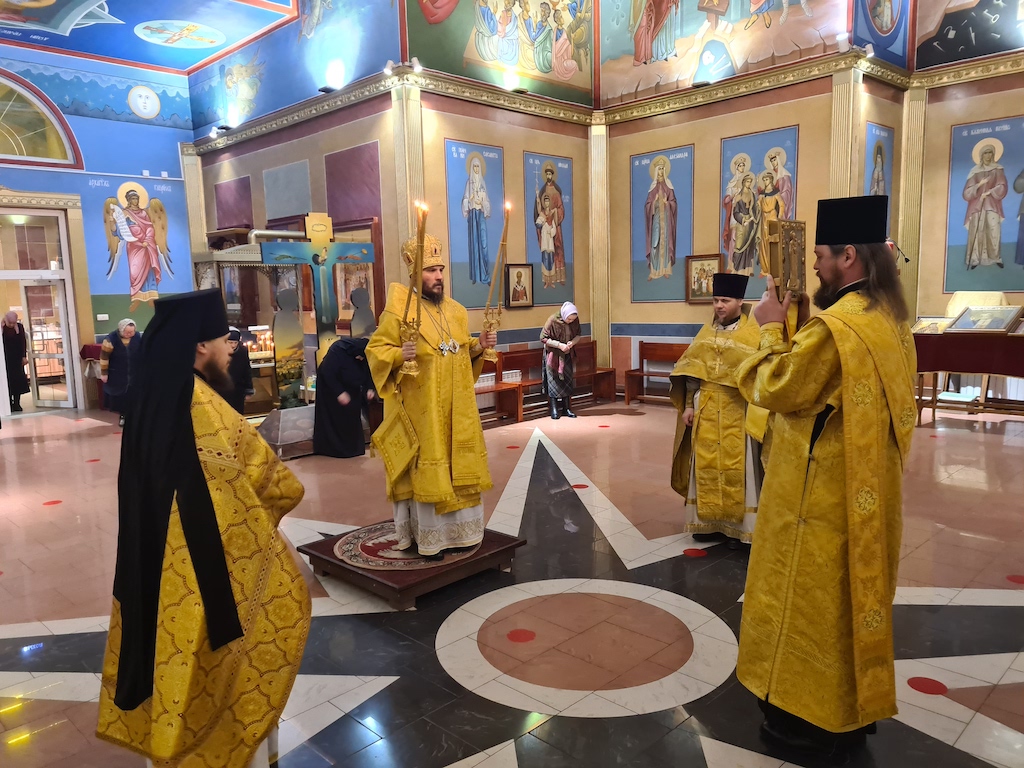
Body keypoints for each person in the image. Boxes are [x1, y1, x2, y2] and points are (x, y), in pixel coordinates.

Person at [734, 196, 916, 763]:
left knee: (806, 606)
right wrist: (802, 321)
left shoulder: (838, 329)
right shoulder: (888, 320)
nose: (814, 264)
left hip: (816, 504)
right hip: (864, 493)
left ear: (848, 256)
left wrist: (769, 328)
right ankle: (848, 709)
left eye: (820, 255)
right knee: (845, 607)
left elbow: (776, 385)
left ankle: (803, 718)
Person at [96, 289, 309, 768]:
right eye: (223, 339)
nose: (232, 347)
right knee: (218, 672)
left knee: (165, 658)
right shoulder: (201, 404)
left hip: (154, 565)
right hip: (201, 574)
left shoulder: (153, 393)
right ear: (199, 346)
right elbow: (268, 482)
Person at [366, 234, 497, 557]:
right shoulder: (399, 312)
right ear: (414, 274)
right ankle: (430, 539)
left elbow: (458, 350)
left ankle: (463, 534)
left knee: (459, 468)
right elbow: (376, 350)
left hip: (457, 410)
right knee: (428, 469)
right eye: (430, 271)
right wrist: (399, 354)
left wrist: (479, 346)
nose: (438, 276)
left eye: (440, 270)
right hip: (421, 413)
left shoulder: (455, 311)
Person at [669, 273, 765, 548]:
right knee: (706, 463)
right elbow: (691, 371)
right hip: (707, 406)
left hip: (738, 408)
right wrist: (689, 405)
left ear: (739, 301)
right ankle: (707, 523)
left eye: (725, 300)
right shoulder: (705, 333)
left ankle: (738, 530)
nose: (719, 305)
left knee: (741, 468)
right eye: (715, 300)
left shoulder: (753, 334)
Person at [314, 337, 376, 458]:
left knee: (353, 416)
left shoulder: (365, 351)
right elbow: (328, 372)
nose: (360, 359)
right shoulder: (337, 350)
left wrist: (370, 388)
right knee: (336, 419)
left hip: (351, 388)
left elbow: (369, 371)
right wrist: (339, 392)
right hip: (330, 390)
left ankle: (354, 449)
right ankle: (335, 449)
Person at [963, 142, 1008, 269]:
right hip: (977, 206)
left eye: (990, 153)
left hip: (992, 205)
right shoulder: (975, 172)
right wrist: (979, 185)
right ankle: (975, 259)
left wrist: (990, 192)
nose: (988, 156)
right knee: (977, 231)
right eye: (985, 153)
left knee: (994, 231)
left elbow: (1002, 186)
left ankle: (995, 257)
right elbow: (966, 193)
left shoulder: (997, 169)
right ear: (981, 155)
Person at [540, 301, 581, 420]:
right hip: (553, 355)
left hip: (567, 354)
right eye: (568, 319)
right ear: (564, 314)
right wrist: (559, 345)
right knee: (553, 381)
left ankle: (566, 408)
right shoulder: (552, 320)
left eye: (572, 320)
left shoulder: (575, 320)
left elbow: (578, 334)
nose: (570, 321)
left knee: (567, 380)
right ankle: (554, 409)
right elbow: (543, 338)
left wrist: (572, 343)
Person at [100, 319, 142, 427]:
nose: (130, 334)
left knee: (134, 395)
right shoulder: (110, 339)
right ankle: (123, 416)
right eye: (127, 332)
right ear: (121, 330)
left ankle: (135, 418)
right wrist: (104, 373)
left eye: (132, 332)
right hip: (117, 373)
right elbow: (104, 357)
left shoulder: (138, 337)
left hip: (134, 372)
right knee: (121, 396)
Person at [644, 158, 678, 280]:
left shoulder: (669, 187)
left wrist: (666, 203)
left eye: (663, 169)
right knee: (655, 243)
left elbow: (673, 203)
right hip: (656, 220)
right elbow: (647, 205)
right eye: (659, 169)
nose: (661, 172)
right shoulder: (652, 188)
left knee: (665, 243)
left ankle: (665, 269)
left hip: (666, 221)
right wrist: (654, 203)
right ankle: (654, 271)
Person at [462, 155, 493, 285]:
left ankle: (486, 276)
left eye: (477, 166)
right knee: (474, 244)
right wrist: (470, 200)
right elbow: (465, 199)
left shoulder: (483, 183)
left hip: (480, 214)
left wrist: (483, 202)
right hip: (473, 216)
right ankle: (475, 276)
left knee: (484, 245)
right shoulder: (469, 183)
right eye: (474, 166)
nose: (476, 169)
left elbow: (487, 202)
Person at [2, 310, 29, 415]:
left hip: (16, 359)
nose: (12, 325)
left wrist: (23, 356)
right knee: (7, 382)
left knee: (18, 381)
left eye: (14, 323)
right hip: (5, 359)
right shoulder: (1, 327)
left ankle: (17, 403)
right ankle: (8, 403)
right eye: (10, 323)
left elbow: (22, 342)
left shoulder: (19, 327)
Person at [225, 326, 254, 415]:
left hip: (238, 389)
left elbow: (247, 370)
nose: (233, 345)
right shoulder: (219, 352)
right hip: (223, 389)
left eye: (235, 342)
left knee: (238, 413)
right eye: (230, 342)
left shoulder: (242, 351)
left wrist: (248, 389)